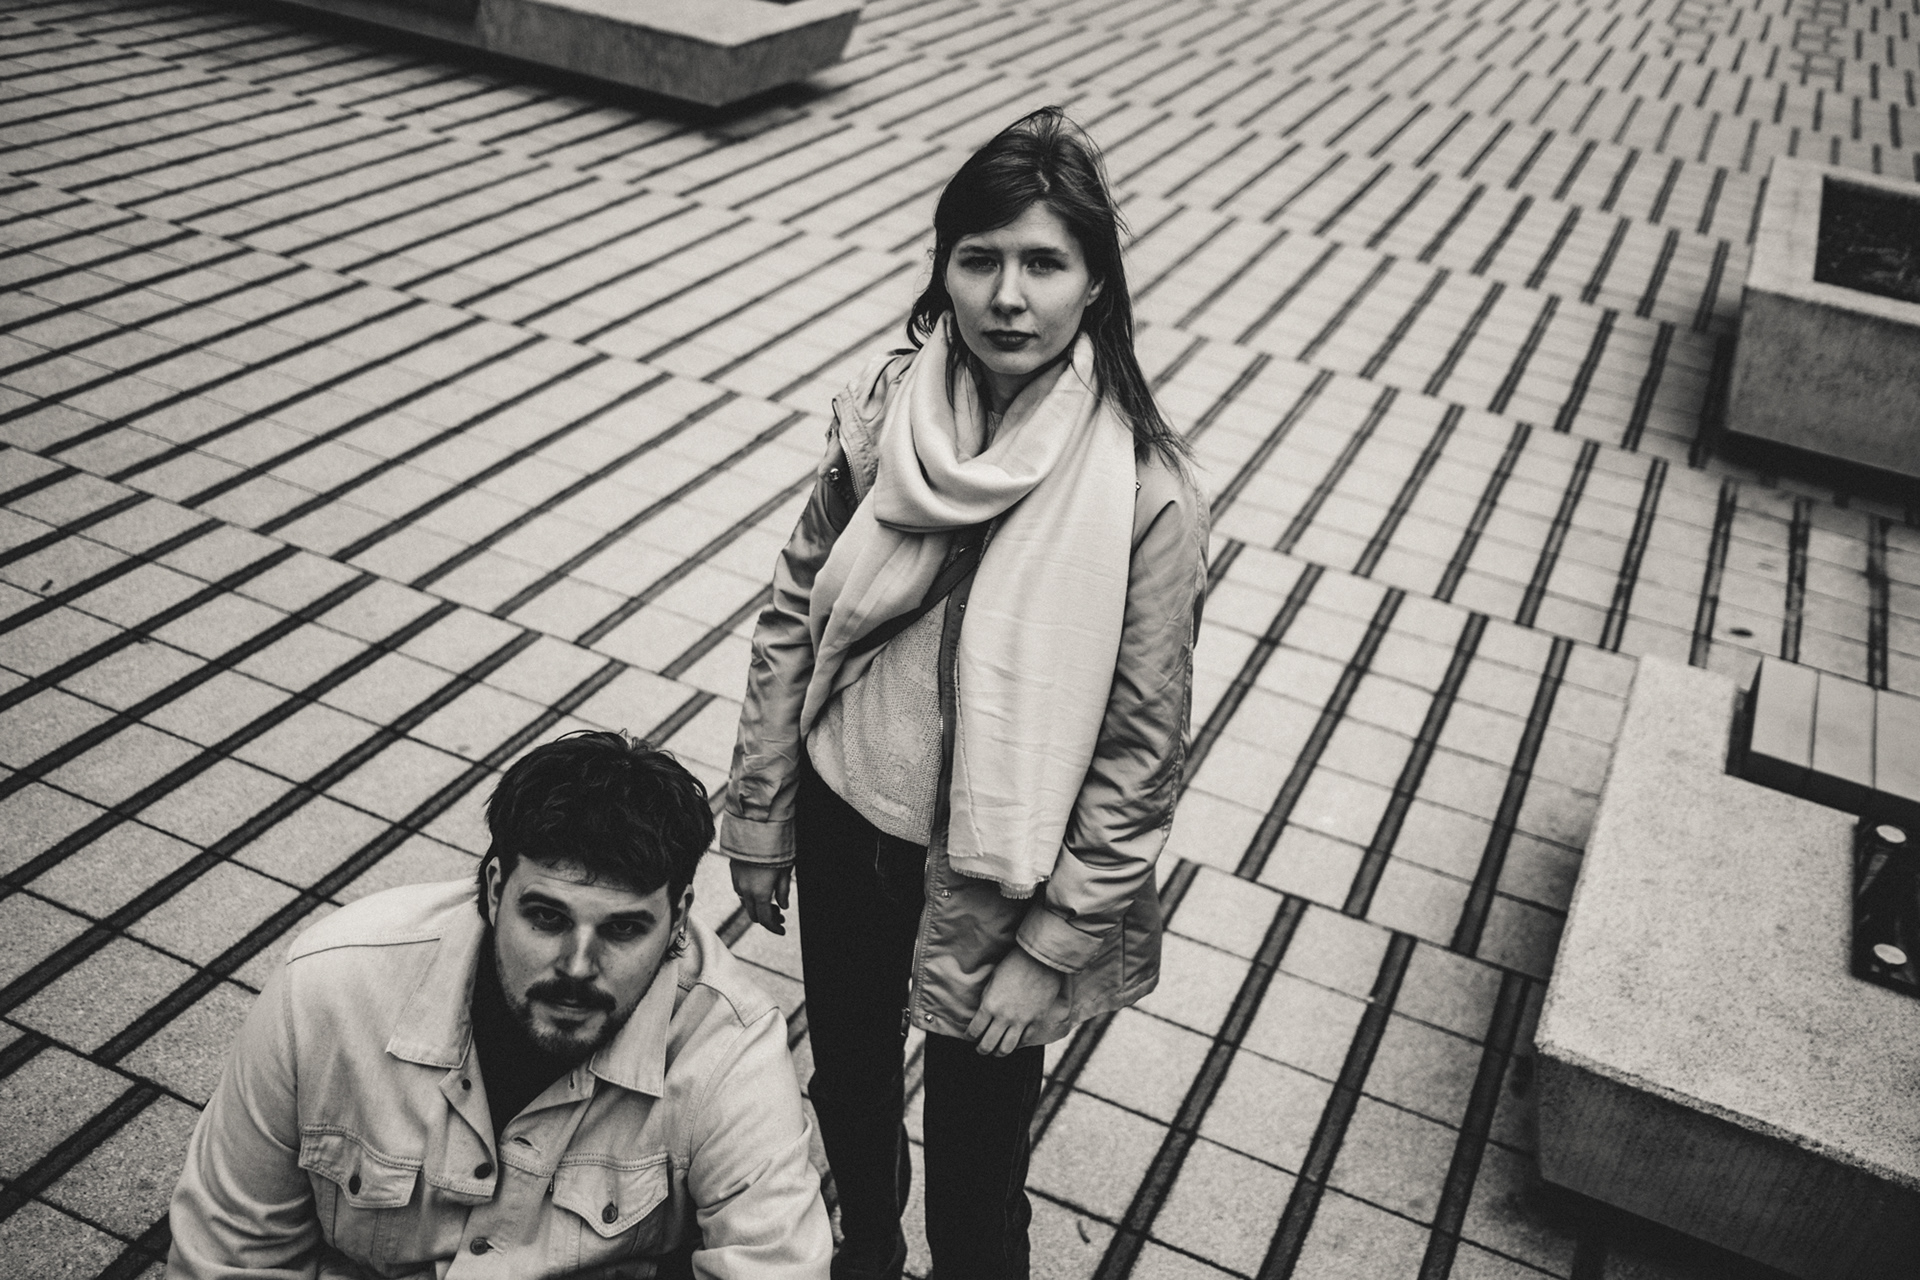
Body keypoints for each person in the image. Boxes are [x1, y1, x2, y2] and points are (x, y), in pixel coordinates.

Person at [722, 107, 1209, 1280]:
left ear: (1096, 284)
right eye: (979, 258)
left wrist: (1055, 941)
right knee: (847, 1079)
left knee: (981, 1163)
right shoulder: (886, 410)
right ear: (942, 269)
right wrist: (759, 812)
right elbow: (795, 612)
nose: (1009, 295)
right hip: (847, 812)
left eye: (1045, 262)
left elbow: (1142, 751)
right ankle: (866, 1247)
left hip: (1002, 872)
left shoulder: (1145, 490)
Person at [167, 731, 832, 1280]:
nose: (577, 967)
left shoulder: (730, 1052)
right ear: (493, 890)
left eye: (624, 929)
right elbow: (232, 1253)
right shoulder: (331, 988)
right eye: (546, 917)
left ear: (679, 920)